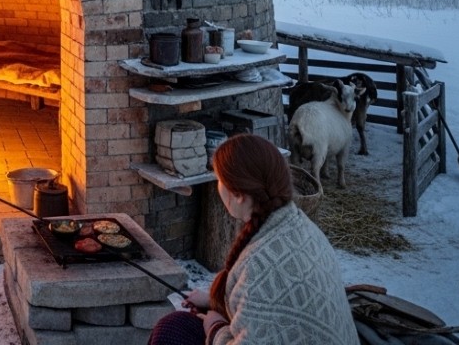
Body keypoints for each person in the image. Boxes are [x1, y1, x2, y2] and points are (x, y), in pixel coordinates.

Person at [148, 133, 358, 345]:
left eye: (219, 180)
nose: (218, 187)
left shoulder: (260, 266)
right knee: (177, 324)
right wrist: (214, 302)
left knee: (169, 335)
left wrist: (215, 327)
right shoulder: (298, 224)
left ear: (238, 194)